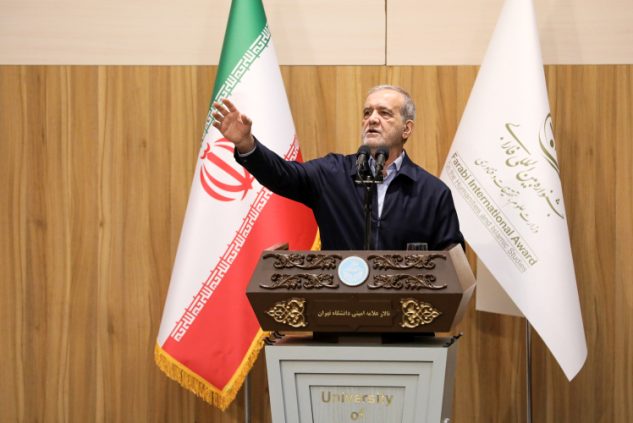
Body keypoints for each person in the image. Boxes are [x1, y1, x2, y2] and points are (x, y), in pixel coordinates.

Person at [212, 85, 464, 251]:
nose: (372, 119)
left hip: (406, 316)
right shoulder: (332, 174)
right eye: (367, 112)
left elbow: (451, 264)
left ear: (406, 129)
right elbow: (282, 175)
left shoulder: (433, 193)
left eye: (385, 113)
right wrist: (247, 144)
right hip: (338, 313)